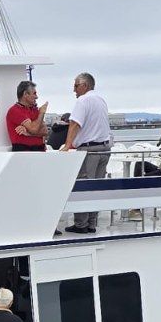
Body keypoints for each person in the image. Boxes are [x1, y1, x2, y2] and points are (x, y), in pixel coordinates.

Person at [61, 72, 111, 234]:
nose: (74, 89)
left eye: (76, 85)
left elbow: (75, 124)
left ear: (85, 86)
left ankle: (81, 224)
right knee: (97, 187)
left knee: (83, 186)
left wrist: (68, 145)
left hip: (89, 150)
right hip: (104, 149)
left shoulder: (83, 101)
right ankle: (91, 223)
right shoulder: (101, 100)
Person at [5, 80, 47, 150]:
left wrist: (28, 133)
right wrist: (41, 113)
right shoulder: (15, 111)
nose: (37, 97)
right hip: (24, 152)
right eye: (34, 93)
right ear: (25, 94)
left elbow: (45, 131)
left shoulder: (34, 109)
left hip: (39, 151)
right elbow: (34, 129)